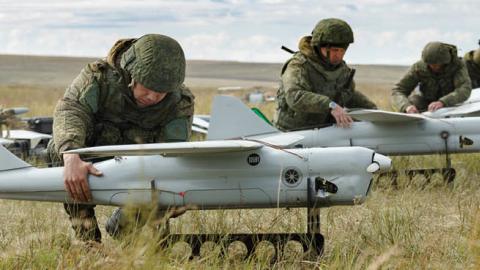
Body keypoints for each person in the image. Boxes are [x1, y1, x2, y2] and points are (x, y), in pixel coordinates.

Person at [47, 34, 195, 243]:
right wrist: (71, 155)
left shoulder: (179, 102)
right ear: (131, 72)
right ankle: (87, 239)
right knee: (57, 149)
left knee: (166, 185)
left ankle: (129, 233)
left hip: (144, 168)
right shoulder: (98, 79)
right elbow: (71, 110)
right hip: (95, 156)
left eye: (161, 92)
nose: (153, 97)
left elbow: (173, 158)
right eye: (147, 86)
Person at [273, 18, 377, 131]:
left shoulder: (342, 71)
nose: (339, 55)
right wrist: (330, 105)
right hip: (290, 133)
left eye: (342, 51)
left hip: (324, 132)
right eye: (335, 50)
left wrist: (376, 113)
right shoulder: (299, 65)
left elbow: (348, 94)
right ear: (320, 46)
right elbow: (295, 96)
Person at [391, 42, 471, 113]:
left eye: (437, 65)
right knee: (413, 101)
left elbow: (464, 89)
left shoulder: (457, 66)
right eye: (430, 64)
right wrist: (407, 107)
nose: (433, 67)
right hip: (427, 103)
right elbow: (398, 90)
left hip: (452, 105)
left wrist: (443, 102)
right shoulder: (419, 67)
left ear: (445, 62)